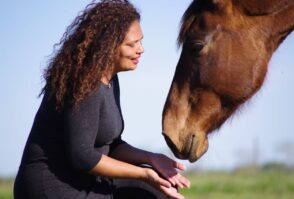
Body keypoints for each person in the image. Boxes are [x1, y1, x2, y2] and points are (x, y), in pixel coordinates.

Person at [14, 0, 190, 199]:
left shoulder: (110, 79)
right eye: (132, 44)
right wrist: (144, 174)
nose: (141, 49)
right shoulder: (83, 83)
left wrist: (151, 159)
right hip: (53, 186)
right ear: (107, 46)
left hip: (84, 178)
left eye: (141, 41)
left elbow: (111, 145)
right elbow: (82, 157)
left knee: (160, 189)